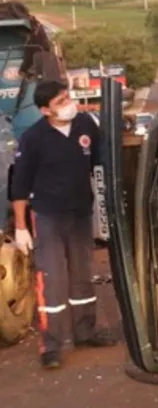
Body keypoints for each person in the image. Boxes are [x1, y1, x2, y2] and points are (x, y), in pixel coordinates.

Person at [10, 80, 116, 369]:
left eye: (68, 97)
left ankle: (85, 331)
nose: (70, 104)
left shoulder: (85, 125)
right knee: (53, 281)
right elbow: (19, 186)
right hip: (48, 218)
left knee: (83, 276)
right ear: (46, 110)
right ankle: (52, 345)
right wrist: (21, 226)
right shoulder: (34, 138)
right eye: (60, 101)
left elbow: (100, 164)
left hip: (80, 214)